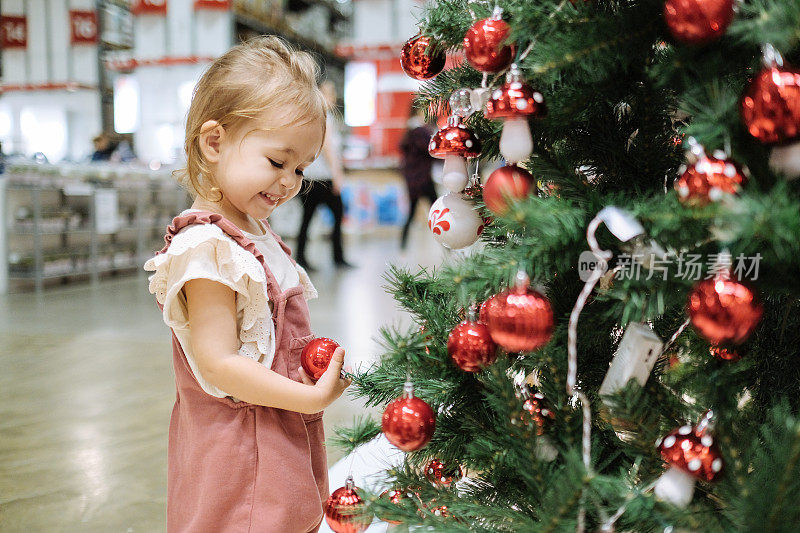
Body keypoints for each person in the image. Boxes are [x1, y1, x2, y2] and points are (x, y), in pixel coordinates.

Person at [143, 37, 351, 532]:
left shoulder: (255, 234)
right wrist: (310, 399)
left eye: (300, 168)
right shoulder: (207, 249)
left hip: (277, 433)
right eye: (277, 162)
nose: (289, 181)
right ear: (214, 143)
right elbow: (219, 363)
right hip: (241, 452)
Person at [295, 81, 352, 271]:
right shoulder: (324, 116)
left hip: (311, 177)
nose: (332, 97)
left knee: (308, 218)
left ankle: (301, 256)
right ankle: (337, 257)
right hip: (321, 178)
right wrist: (338, 175)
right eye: (328, 92)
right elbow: (328, 149)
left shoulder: (312, 116)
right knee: (337, 214)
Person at [399, 105, 438, 249]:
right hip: (423, 179)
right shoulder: (421, 132)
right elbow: (432, 151)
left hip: (412, 180)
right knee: (437, 212)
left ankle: (402, 246)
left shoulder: (409, 131)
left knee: (411, 214)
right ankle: (449, 245)